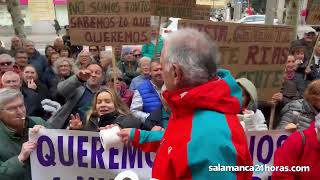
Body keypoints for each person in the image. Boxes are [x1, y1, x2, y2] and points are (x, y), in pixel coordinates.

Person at [117, 29, 252, 179]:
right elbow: (177, 141)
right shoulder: (191, 108)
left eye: (162, 66)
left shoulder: (209, 141)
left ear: (175, 73)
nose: (160, 73)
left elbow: (192, 143)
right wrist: (137, 136)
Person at [0, 88, 49, 180]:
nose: (19, 111)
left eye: (21, 106)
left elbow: (63, 153)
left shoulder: (38, 121)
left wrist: (49, 136)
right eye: (12, 109)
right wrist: (20, 158)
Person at [48, 63, 104, 129]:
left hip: (94, 132)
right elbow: (61, 90)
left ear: (102, 77)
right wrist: (78, 78)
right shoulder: (77, 87)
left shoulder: (106, 93)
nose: (93, 75)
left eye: (97, 73)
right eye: (90, 72)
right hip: (70, 130)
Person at [69, 88, 141, 131]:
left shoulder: (126, 118)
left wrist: (119, 126)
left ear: (116, 104)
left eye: (107, 101)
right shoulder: (88, 119)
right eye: (99, 102)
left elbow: (135, 122)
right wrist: (77, 130)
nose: (102, 105)